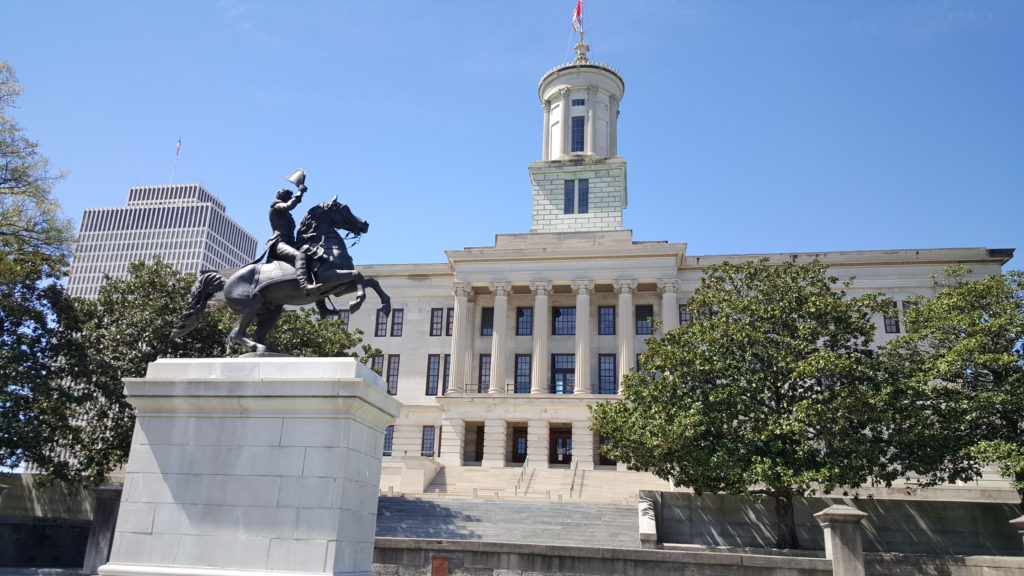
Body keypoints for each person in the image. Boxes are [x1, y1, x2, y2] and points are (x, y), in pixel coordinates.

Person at [269, 183, 319, 293]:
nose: (290, 199)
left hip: (290, 243)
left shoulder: (286, 215)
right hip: (279, 243)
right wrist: (300, 192)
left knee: (311, 256)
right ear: (282, 197)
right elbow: (289, 206)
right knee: (299, 255)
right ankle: (304, 285)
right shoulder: (275, 206)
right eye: (288, 197)